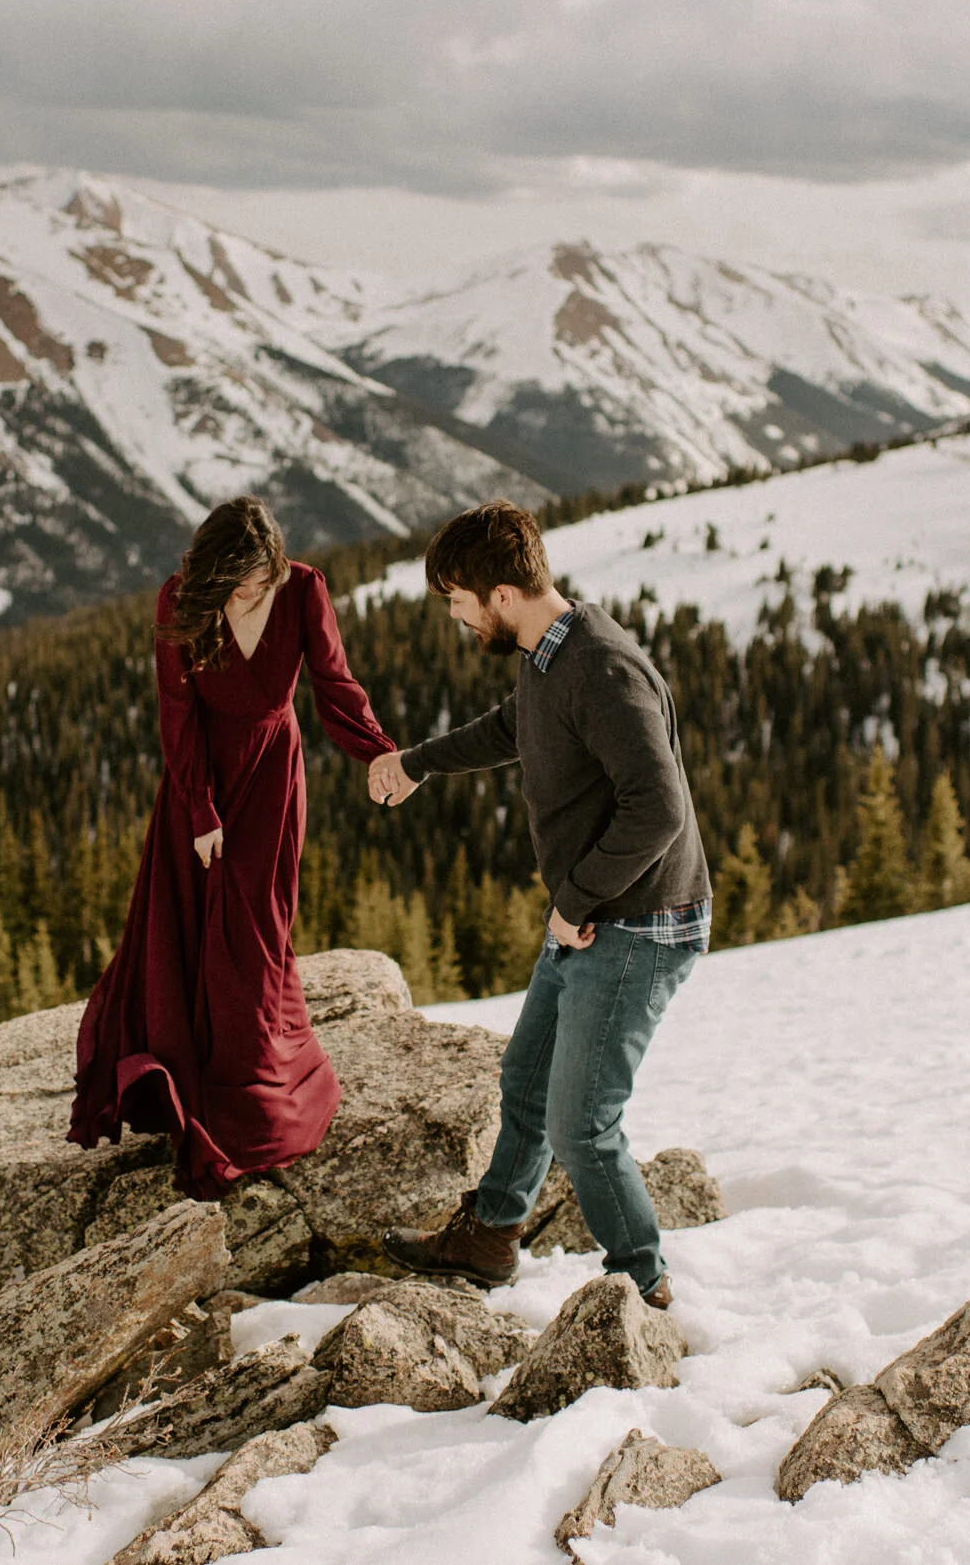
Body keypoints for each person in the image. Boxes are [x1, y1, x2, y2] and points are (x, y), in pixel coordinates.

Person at [367, 501, 710, 1309]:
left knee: (582, 1127)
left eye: (456, 599)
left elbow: (657, 807)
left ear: (500, 595)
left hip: (637, 925)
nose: (453, 616)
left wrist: (576, 899)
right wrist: (418, 762)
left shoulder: (599, 665)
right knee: (525, 1077)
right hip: (593, 915)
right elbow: (514, 726)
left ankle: (644, 1290)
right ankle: (490, 1236)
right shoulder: (546, 655)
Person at [69, 496, 398, 1200]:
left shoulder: (303, 588)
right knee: (185, 939)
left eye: (260, 578)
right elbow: (177, 711)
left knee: (257, 939)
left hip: (274, 780)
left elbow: (335, 685)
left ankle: (256, 1106)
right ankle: (188, 1092)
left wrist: (379, 755)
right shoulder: (182, 599)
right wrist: (199, 808)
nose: (252, 592)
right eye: (240, 580)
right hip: (202, 786)